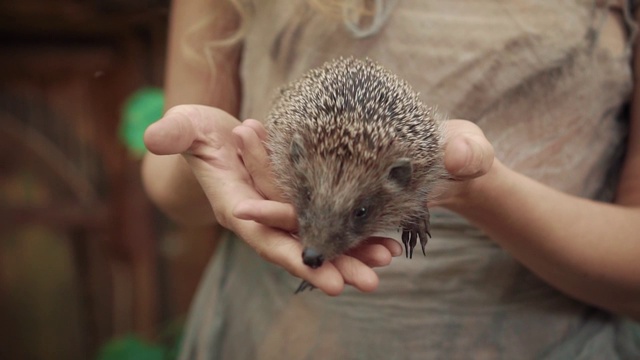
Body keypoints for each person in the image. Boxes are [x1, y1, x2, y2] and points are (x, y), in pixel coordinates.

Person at [142, 0, 640, 358]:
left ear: (405, 181)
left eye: (361, 212)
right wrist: (212, 158)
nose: (315, 249)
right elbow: (171, 188)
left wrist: (483, 193)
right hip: (268, 333)